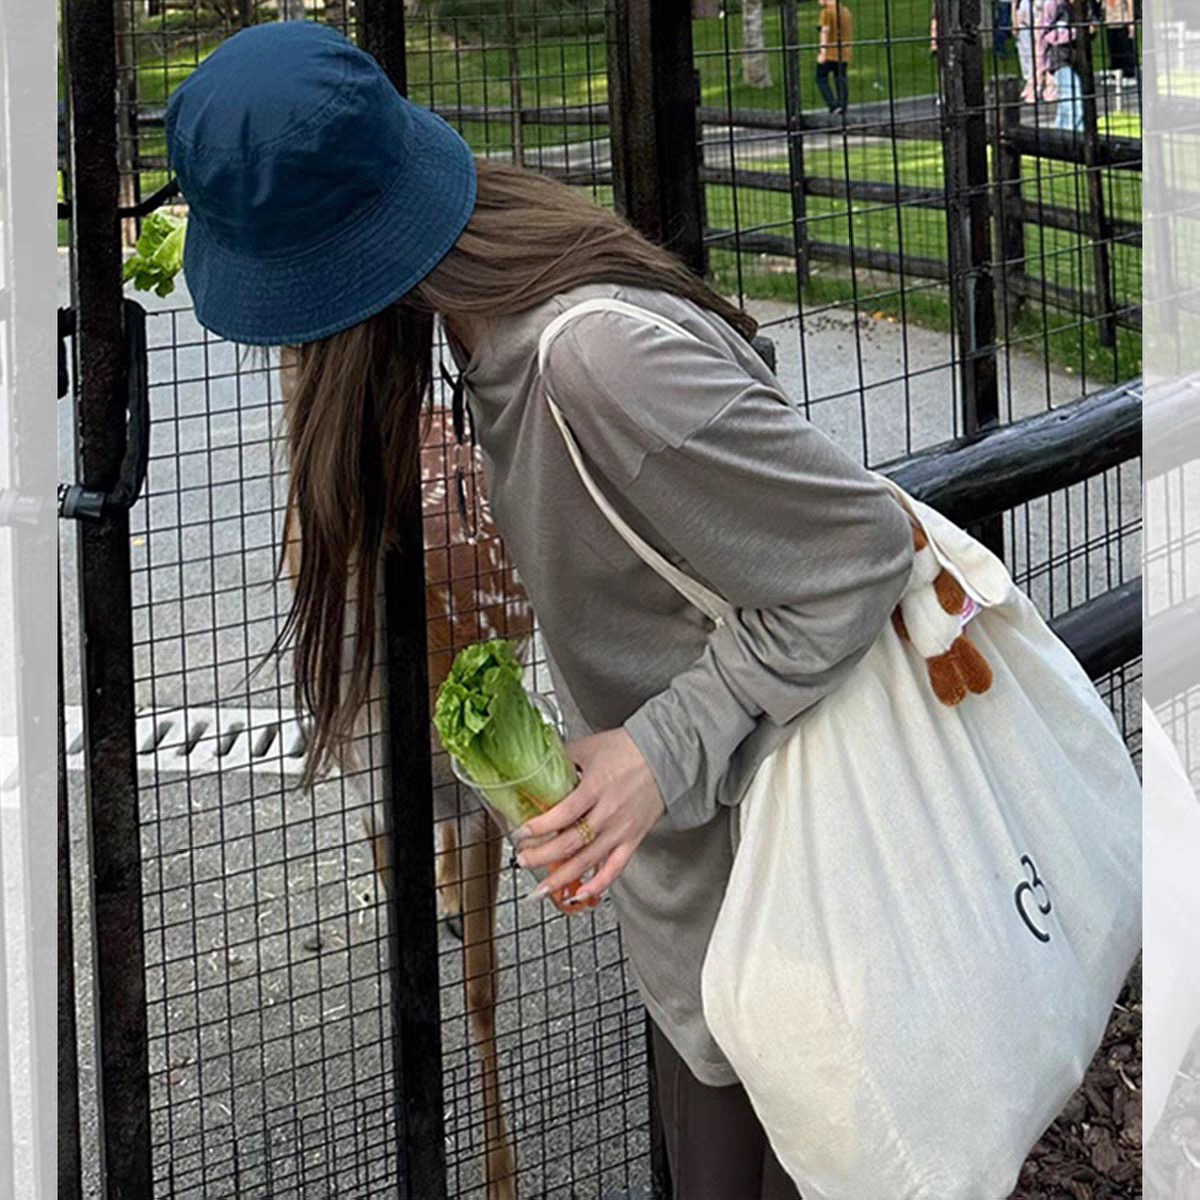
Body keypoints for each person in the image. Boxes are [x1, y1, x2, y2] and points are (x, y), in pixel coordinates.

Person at [165, 21, 914, 1199]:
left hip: (790, 915)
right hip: (710, 921)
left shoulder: (588, 361)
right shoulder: (492, 337)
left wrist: (653, 755)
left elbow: (863, 549)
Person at [1041, 0, 1084, 132]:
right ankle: (1075, 136)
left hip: (1078, 58)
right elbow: (1044, 34)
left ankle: (1060, 135)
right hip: (1060, 58)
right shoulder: (1054, 4)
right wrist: (1074, 33)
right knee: (1075, 96)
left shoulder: (1082, 6)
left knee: (1066, 101)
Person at [816, 0, 854, 115]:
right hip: (844, 52)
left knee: (821, 78)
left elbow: (825, 31)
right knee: (840, 78)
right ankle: (843, 105)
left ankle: (833, 105)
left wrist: (822, 51)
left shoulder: (827, 12)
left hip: (830, 53)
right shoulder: (845, 11)